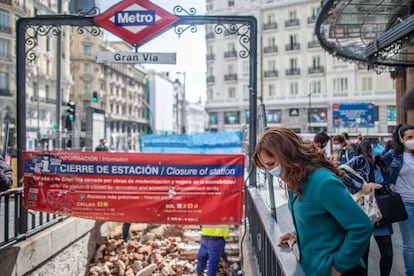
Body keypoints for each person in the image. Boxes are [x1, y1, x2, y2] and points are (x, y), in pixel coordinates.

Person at [252, 127, 373, 275]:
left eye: (271, 164)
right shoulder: (295, 181)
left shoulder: (323, 183)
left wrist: (338, 267)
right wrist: (297, 233)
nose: (271, 171)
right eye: (265, 167)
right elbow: (320, 218)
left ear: (287, 155)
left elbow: (361, 226)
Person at [341, 138, 393, 276]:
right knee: (363, 253)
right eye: (374, 146)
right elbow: (341, 171)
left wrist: (381, 187)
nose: (377, 149)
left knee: (387, 253)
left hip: (380, 212)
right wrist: (362, 186)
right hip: (364, 211)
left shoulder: (381, 163)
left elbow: (387, 182)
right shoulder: (361, 160)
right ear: (366, 148)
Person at [386, 124, 414, 276]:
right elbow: (383, 172)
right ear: (402, 139)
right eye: (409, 137)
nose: (413, 140)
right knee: (410, 244)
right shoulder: (394, 156)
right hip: (406, 204)